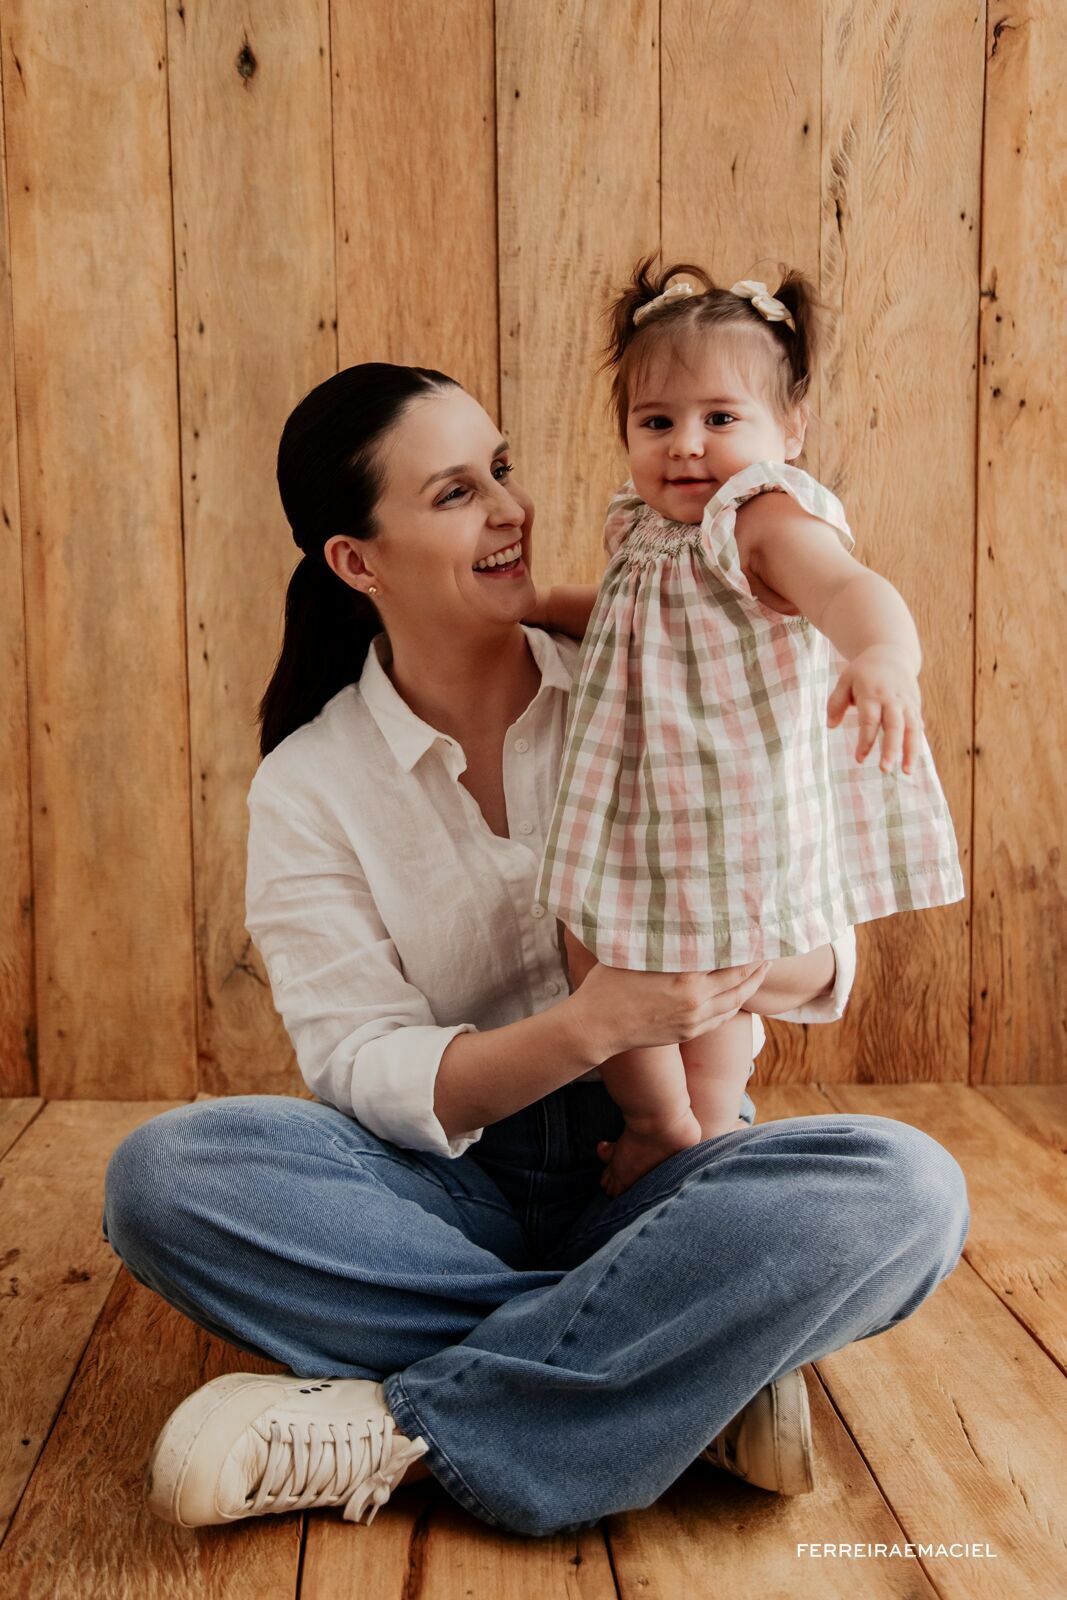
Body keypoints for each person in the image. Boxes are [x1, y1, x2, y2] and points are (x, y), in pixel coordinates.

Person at [100, 360, 969, 1538]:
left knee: (904, 1190)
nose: (508, 507)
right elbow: (359, 1065)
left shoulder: (654, 670)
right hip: (440, 1190)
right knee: (168, 1176)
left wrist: (680, 986)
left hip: (663, 1173)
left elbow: (821, 965)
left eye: (500, 469)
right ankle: (674, 1372)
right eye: (455, 492)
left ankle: (409, 1425)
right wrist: (592, 1025)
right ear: (358, 562)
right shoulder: (310, 783)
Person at [536, 260, 964, 1198]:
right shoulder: (641, 527)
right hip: (639, 802)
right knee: (602, 951)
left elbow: (852, 590)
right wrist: (534, 605)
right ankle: (671, 1121)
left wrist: (882, 656)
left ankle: (693, 1118)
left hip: (727, 805)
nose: (686, 446)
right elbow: (614, 611)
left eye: (719, 418)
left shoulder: (761, 516)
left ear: (787, 429)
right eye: (657, 422)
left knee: (690, 963)